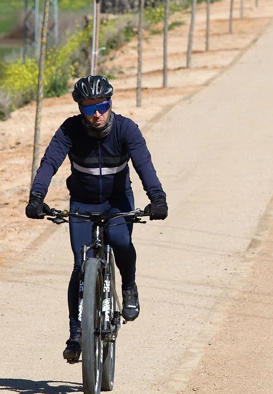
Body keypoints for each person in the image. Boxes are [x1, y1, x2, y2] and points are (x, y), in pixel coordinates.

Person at [25, 75, 168, 363]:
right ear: (80, 110)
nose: (96, 114)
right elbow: (50, 162)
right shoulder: (69, 130)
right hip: (82, 202)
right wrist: (36, 198)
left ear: (110, 104)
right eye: (88, 109)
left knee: (121, 242)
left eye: (101, 106)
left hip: (117, 202)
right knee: (80, 264)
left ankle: (128, 287)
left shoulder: (127, 130)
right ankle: (76, 334)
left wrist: (158, 198)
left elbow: (144, 165)